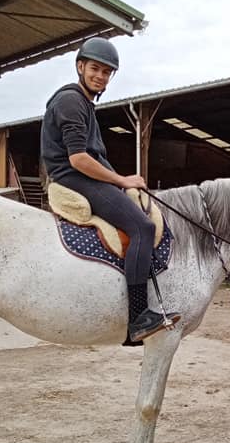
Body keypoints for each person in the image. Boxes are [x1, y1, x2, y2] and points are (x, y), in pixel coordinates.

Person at [40, 37, 179, 345]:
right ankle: (138, 317)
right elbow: (79, 159)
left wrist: (120, 180)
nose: (100, 76)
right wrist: (122, 180)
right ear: (80, 66)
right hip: (75, 178)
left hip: (82, 176)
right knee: (143, 227)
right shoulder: (71, 101)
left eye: (106, 72)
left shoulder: (84, 103)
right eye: (95, 69)